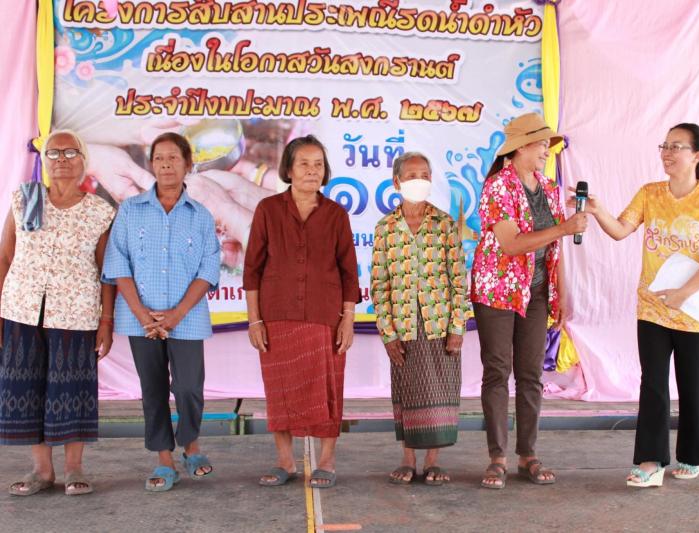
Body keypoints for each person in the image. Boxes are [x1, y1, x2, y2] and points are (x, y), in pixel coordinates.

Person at [572, 123, 699, 487]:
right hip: (651, 308)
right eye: (665, 145)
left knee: (692, 386)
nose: (667, 152)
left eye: (677, 146)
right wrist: (597, 210)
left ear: (697, 155)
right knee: (653, 385)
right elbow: (620, 230)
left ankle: (694, 456)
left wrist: (683, 293)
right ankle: (651, 461)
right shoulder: (650, 193)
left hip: (693, 312)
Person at [470, 113, 588, 489]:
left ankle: (527, 455)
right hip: (497, 289)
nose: (546, 151)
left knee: (531, 374)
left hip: (536, 291)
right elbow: (510, 244)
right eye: (541, 144)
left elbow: (555, 248)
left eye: (548, 145)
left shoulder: (549, 188)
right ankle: (497, 458)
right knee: (497, 371)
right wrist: (564, 228)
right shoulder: (497, 187)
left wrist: (562, 291)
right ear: (520, 147)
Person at [102, 132, 221, 492]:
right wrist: (142, 315)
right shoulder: (130, 210)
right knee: (152, 389)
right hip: (140, 319)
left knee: (188, 387)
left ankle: (191, 446)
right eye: (159, 158)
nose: (166, 165)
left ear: (187, 165)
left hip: (187, 318)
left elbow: (208, 269)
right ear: (151, 164)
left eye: (173, 158)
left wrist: (176, 314)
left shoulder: (201, 216)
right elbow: (117, 263)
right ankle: (164, 459)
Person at [0, 130, 116, 496]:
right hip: (21, 311)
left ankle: (73, 468)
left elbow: (107, 272)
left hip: (76, 314)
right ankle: (42, 470)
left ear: (84, 160)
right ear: (44, 160)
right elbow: (5, 257)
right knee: (27, 388)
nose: (61, 159)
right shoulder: (26, 198)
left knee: (72, 390)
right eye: (53, 153)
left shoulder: (99, 211)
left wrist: (106, 321)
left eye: (70, 152)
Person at [243, 135, 359, 489]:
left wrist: (348, 319)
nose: (312, 171)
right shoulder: (268, 210)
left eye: (318, 164)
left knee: (328, 389)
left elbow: (349, 272)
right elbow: (252, 269)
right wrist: (254, 320)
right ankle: (285, 460)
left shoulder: (336, 214)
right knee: (280, 390)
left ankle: (327, 459)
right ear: (289, 170)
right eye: (304, 164)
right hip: (276, 315)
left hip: (325, 317)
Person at [371, 152, 469, 486]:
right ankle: (408, 459)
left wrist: (457, 328)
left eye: (425, 175)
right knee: (407, 392)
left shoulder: (444, 224)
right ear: (396, 182)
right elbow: (379, 285)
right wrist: (387, 333)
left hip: (439, 324)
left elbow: (459, 280)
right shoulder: (385, 228)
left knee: (439, 390)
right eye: (412, 175)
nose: (419, 181)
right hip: (403, 327)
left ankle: (433, 462)